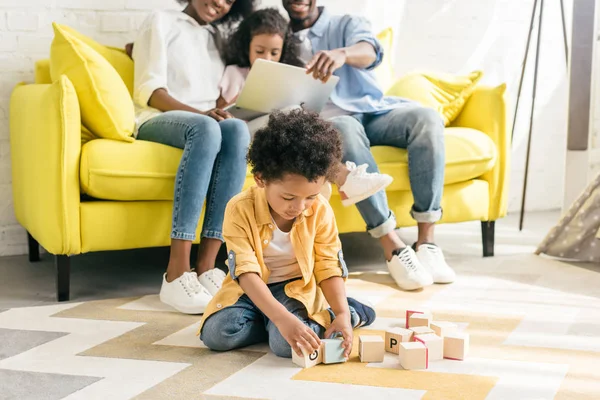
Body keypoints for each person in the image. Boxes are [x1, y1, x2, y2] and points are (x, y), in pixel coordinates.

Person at [281, 0, 457, 291]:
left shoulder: (345, 24)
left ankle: (427, 241)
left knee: (427, 118)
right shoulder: (278, 35)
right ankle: (393, 245)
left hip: (374, 111)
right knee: (344, 128)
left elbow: (371, 51)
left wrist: (343, 54)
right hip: (335, 122)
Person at [199, 109, 376, 358]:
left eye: (310, 197)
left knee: (286, 348)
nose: (299, 206)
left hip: (295, 288)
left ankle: (348, 310)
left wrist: (343, 314)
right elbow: (246, 273)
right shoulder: (239, 208)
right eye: (288, 197)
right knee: (216, 335)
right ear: (261, 179)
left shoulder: (320, 211)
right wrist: (282, 320)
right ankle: (275, 321)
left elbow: (328, 266)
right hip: (250, 290)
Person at [131, 0, 256, 314]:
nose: (220, 4)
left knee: (238, 129)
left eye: (230, 1)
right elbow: (150, 90)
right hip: (157, 118)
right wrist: (203, 115)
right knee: (207, 128)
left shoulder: (214, 37)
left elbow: (211, 97)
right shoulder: (161, 20)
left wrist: (227, 108)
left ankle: (208, 267)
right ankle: (176, 273)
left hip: (204, 121)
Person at [218, 7, 393, 207]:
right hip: (243, 133)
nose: (267, 57)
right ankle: (345, 178)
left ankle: (332, 181)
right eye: (259, 51)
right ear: (246, 46)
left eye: (274, 52)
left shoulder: (285, 76)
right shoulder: (234, 73)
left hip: (274, 137)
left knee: (297, 118)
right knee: (291, 115)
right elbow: (222, 109)